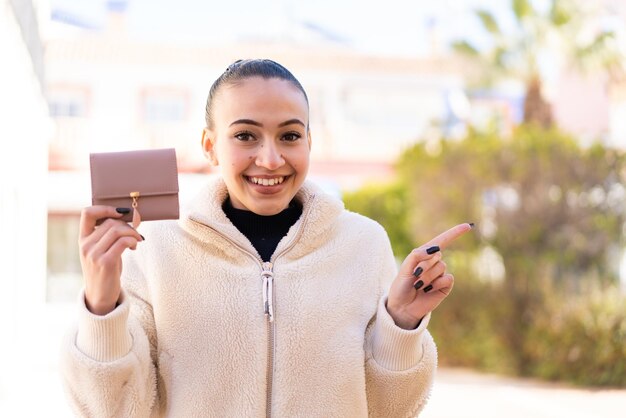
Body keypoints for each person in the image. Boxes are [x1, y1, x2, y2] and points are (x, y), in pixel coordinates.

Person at [61, 58, 472, 417]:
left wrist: (401, 325)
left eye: (290, 136)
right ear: (210, 146)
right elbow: (113, 410)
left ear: (309, 142)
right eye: (245, 135)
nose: (271, 158)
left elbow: (391, 411)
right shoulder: (154, 247)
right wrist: (101, 307)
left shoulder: (364, 244)